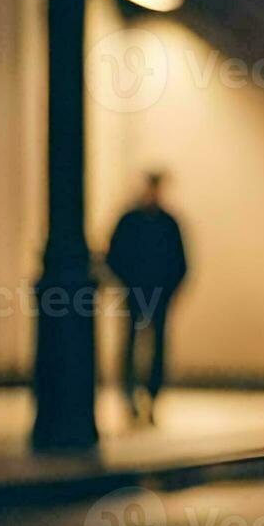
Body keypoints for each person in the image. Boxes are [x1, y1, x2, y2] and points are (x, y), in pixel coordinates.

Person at [106, 171, 187, 425]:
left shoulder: (162, 222)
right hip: (139, 292)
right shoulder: (143, 221)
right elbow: (115, 256)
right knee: (134, 344)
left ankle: (150, 395)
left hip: (154, 293)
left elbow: (180, 262)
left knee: (153, 346)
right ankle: (131, 395)